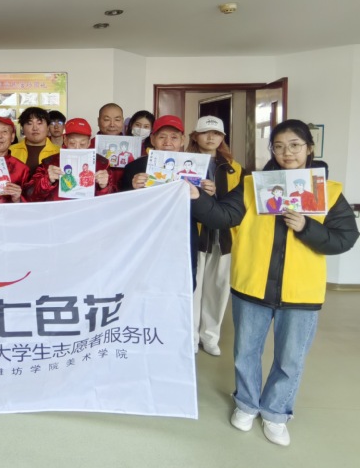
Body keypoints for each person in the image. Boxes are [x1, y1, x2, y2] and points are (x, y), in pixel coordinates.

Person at [190, 119, 358, 446]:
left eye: (295, 145)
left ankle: (276, 413)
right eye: (278, 146)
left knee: (290, 359)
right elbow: (223, 216)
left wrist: (307, 228)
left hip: (301, 292)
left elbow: (345, 239)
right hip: (251, 286)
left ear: (309, 148)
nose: (287, 153)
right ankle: (246, 404)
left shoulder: (328, 191)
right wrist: (197, 196)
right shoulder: (253, 186)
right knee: (245, 353)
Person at [186, 115, 243, 356]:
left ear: (222, 138)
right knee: (193, 288)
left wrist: (215, 193)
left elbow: (238, 204)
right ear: (195, 136)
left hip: (224, 237)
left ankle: (210, 336)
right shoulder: (184, 161)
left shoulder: (234, 168)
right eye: (205, 133)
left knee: (218, 289)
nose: (211, 137)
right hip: (195, 235)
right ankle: (190, 336)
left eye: (217, 133)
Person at [120, 115, 199, 286]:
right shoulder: (134, 168)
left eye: (174, 137)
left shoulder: (195, 168)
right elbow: (122, 210)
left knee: (182, 289)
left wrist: (205, 195)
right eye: (162, 136)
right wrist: (132, 189)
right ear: (153, 139)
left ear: (182, 140)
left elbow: (204, 214)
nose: (168, 142)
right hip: (145, 243)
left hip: (182, 241)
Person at [26, 118, 115, 201]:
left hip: (89, 211)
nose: (77, 148)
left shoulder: (102, 164)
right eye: (72, 143)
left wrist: (104, 187)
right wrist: (47, 180)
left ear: (89, 143)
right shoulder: (49, 163)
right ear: (65, 140)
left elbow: (114, 200)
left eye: (82, 144)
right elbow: (29, 195)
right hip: (57, 211)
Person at [9, 107, 60, 176]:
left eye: (39, 123)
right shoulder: (10, 151)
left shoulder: (59, 152)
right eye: (29, 123)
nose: (35, 128)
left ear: (48, 127)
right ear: (22, 128)